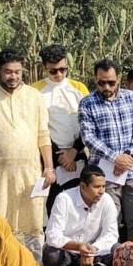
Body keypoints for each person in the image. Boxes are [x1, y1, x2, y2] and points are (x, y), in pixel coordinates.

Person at [0, 49, 55, 263]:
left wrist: (49, 167)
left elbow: (43, 134)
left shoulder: (34, 96)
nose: (13, 76)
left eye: (17, 72)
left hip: (30, 174)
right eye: (8, 72)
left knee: (34, 226)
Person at [79, 59, 133, 241]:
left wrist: (128, 155)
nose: (106, 87)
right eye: (101, 83)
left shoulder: (131, 97)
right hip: (105, 174)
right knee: (110, 222)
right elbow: (88, 137)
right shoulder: (87, 103)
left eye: (111, 82)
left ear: (119, 78)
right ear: (95, 79)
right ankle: (112, 256)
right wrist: (116, 158)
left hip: (132, 170)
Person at [43, 165, 119, 266]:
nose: (102, 191)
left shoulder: (107, 200)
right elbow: (52, 235)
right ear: (83, 186)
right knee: (51, 253)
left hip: (93, 253)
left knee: (118, 249)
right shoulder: (64, 198)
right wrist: (79, 247)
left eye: (103, 186)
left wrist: (92, 250)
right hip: (68, 253)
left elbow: (111, 234)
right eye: (97, 187)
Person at [31, 44, 89, 216]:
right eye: (53, 71)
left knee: (78, 202)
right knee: (52, 204)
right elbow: (37, 127)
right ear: (44, 68)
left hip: (77, 154)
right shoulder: (35, 91)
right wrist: (60, 157)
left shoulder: (79, 88)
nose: (59, 74)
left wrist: (73, 151)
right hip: (50, 157)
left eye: (63, 69)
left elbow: (88, 125)